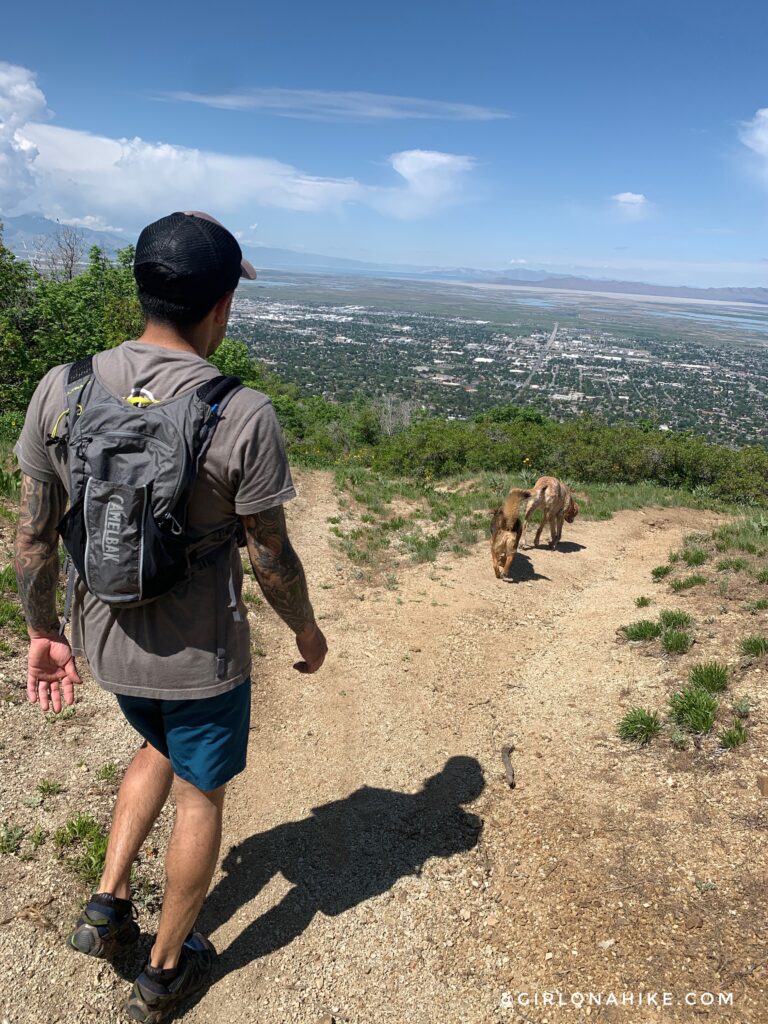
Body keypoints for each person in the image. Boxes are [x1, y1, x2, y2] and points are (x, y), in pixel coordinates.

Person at [13, 211, 328, 1022]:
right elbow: (271, 559)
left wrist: (43, 632)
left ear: (143, 289)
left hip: (105, 643)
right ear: (222, 305)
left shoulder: (64, 383)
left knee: (152, 740)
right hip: (199, 659)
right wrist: (304, 628)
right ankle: (164, 969)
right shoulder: (242, 410)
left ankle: (109, 901)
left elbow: (33, 537)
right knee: (200, 793)